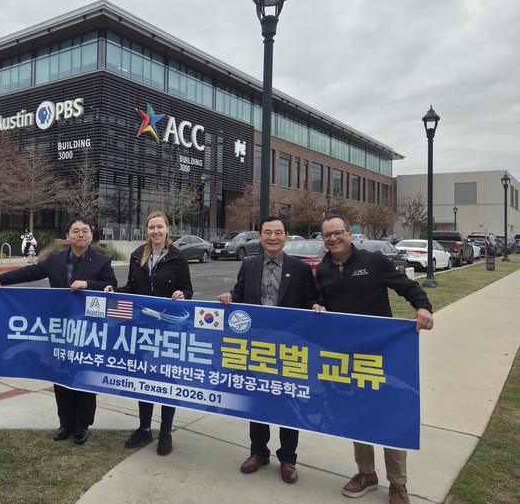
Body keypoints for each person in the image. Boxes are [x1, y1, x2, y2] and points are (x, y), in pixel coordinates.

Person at [315, 214, 434, 504]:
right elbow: (322, 301)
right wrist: (317, 305)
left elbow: (407, 286)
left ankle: (398, 484)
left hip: (382, 353)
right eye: (328, 235)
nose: (333, 238)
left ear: (349, 234)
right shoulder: (323, 269)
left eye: (338, 232)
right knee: (357, 413)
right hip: (346, 354)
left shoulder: (373, 261)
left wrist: (423, 306)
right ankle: (366, 474)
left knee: (389, 415)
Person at [0, 217, 117, 445]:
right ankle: (65, 423)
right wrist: (2, 279)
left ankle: (82, 425)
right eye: (75, 231)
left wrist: (88, 284)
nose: (80, 234)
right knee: (61, 375)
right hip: (60, 329)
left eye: (85, 231)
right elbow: (31, 272)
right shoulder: (56, 259)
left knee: (84, 377)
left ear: (91, 235)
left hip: (87, 331)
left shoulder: (101, 261)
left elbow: (111, 285)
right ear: (67, 235)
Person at [217, 215, 320, 484]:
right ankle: (259, 453)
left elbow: (311, 299)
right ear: (260, 236)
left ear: (286, 236)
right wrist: (230, 297)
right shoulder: (249, 265)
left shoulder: (299, 269)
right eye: (267, 232)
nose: (272, 237)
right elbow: (240, 294)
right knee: (258, 398)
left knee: (289, 400)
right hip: (257, 346)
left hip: (289, 348)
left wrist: (315, 306)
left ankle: (288, 458)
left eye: (278, 232)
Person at [104, 210, 193, 456]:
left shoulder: (178, 257)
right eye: (151, 227)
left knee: (166, 379)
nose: (155, 231)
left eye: (160, 227)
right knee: (143, 378)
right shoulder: (137, 256)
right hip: (142, 328)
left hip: (168, 329)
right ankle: (144, 428)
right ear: (146, 230)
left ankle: (165, 432)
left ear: (167, 229)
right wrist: (115, 290)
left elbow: (187, 289)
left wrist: (182, 295)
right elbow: (132, 287)